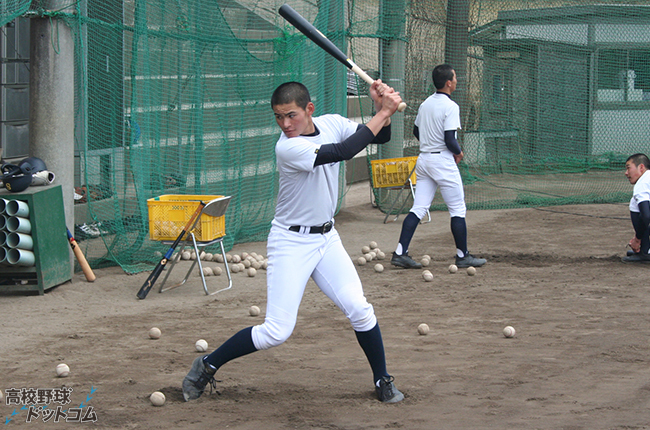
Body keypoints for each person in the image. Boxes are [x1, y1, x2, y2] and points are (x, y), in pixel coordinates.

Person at [182, 80, 405, 403]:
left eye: (291, 115)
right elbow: (343, 152)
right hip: (291, 242)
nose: (285, 124)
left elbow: (377, 136)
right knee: (277, 331)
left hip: (327, 240)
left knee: (360, 309)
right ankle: (207, 364)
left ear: (309, 110)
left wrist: (381, 110)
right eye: (278, 117)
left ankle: (383, 379)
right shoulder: (287, 148)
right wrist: (384, 110)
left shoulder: (331, 123)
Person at [390, 64, 486, 270]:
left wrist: (429, 142)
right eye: (455, 77)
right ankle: (463, 255)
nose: (457, 80)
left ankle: (400, 252)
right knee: (458, 209)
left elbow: (416, 130)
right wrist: (459, 152)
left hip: (424, 159)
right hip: (442, 160)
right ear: (448, 83)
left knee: (419, 208)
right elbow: (449, 139)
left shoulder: (425, 104)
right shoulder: (451, 106)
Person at [622, 153, 650, 263]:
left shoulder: (642, 183)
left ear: (641, 167)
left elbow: (646, 215)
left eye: (629, 168)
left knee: (637, 207)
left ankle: (645, 252)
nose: (626, 173)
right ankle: (646, 249)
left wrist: (637, 239)